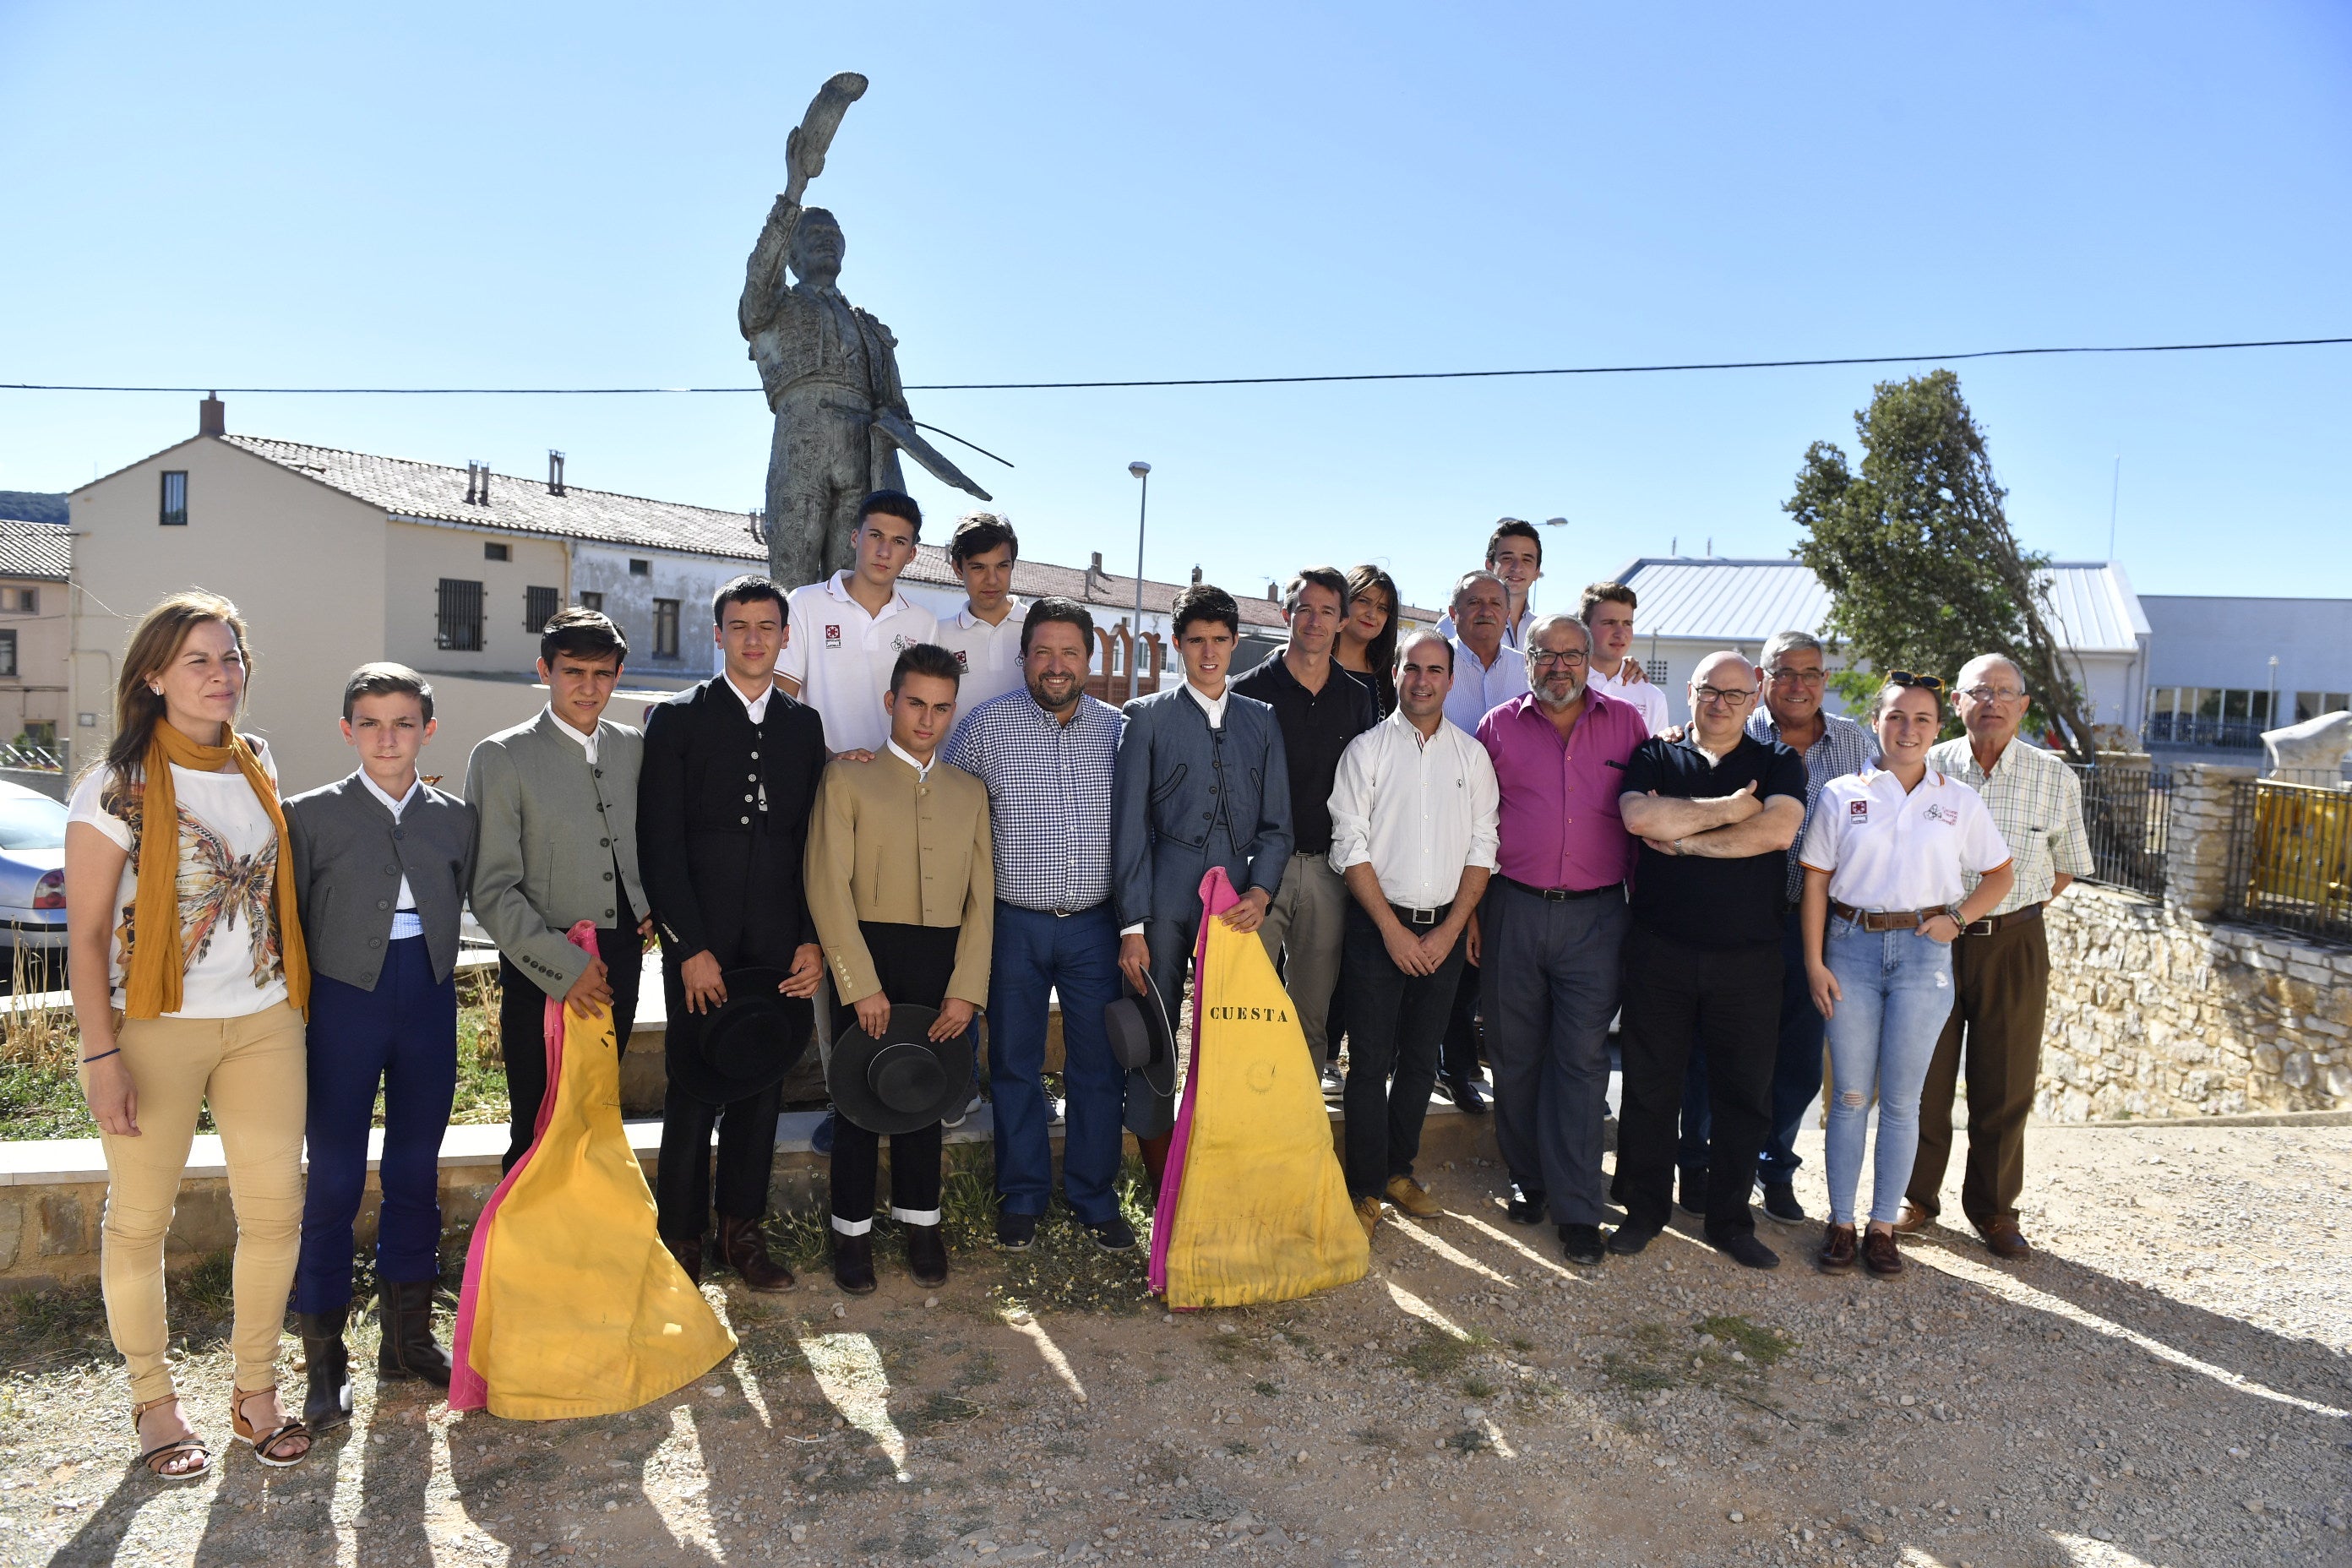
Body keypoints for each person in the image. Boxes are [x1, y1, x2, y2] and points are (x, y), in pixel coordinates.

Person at [64, 591, 313, 1476]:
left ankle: (255, 1394)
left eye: (231, 656)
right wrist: (100, 1055)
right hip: (153, 1029)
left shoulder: (261, 764)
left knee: (278, 1209)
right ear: (154, 675)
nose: (221, 674)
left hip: (264, 1022)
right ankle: (155, 1404)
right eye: (200, 659)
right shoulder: (114, 785)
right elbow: (87, 935)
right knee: (138, 1221)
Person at [285, 664, 476, 1431]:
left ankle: (407, 1341)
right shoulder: (309, 816)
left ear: (428, 729)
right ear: (347, 731)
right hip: (344, 1004)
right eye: (371, 723)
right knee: (331, 1178)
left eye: (403, 723)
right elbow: (289, 921)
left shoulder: (455, 818)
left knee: (413, 1173)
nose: (387, 737)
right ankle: (324, 1364)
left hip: (427, 999)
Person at [637, 575, 827, 1288]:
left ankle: (741, 1233)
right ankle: (679, 1236)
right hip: (704, 941)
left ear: (784, 636)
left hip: (778, 942)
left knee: (762, 1085)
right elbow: (660, 842)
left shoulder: (803, 728)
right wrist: (689, 948)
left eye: (767, 626)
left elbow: (814, 842)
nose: (754, 638)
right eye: (739, 626)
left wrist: (810, 938)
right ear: (717, 635)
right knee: (693, 1086)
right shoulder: (678, 719)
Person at [1799, 676, 2015, 1277]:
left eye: (1922, 719)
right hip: (1851, 950)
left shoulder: (1959, 800)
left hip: (1923, 955)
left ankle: (1882, 1227)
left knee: (1901, 1101)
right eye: (1897, 717)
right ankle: (1840, 1222)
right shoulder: (1843, 793)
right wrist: (1814, 961)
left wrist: (1960, 919)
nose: (1909, 729)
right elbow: (1816, 880)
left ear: (1937, 729)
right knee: (1847, 1096)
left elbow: (2000, 873)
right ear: (1876, 722)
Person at [944, 597, 1133, 1251]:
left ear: (1091, 658)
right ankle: (1021, 1196)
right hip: (1012, 924)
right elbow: (946, 816)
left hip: (1094, 925)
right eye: (1043, 653)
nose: (1057, 666)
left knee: (1096, 1067)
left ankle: (1093, 1195)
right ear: (1024, 658)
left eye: (1070, 653)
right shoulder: (983, 729)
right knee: (1016, 1063)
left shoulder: (1120, 732)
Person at [805, 644, 994, 1292]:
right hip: (866, 952)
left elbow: (981, 900)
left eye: (942, 708)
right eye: (916, 703)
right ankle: (850, 1233)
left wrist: (966, 991)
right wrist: (860, 986)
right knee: (858, 1099)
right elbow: (826, 885)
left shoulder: (970, 792)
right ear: (892, 701)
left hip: (939, 961)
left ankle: (922, 1223)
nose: (927, 719)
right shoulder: (847, 779)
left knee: (925, 1092)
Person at [1674, 630, 1877, 1226]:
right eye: (1784, 673)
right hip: (1742, 918)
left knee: (1797, 1057)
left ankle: (1776, 1164)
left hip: (1820, 928)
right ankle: (1698, 1162)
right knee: (1714, 1050)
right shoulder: (1735, 728)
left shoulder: (1854, 742)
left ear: (1825, 680)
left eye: (1810, 674)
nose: (1798, 685)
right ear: (1763, 679)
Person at [1609, 652, 1805, 1269]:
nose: (1720, 704)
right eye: (1709, 691)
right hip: (1659, 949)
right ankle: (1644, 1210)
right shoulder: (1654, 754)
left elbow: (1775, 832)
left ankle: (1729, 1219)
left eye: (1735, 695)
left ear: (1755, 701)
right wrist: (1728, 808)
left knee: (1743, 1093)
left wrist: (1686, 841)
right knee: (1649, 1085)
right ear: (1689, 691)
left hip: (1747, 958)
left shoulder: (1778, 761)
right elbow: (1640, 817)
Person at [1903, 655, 2093, 1260]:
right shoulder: (1927, 765)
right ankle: (1915, 1199)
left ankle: (1994, 1212)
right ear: (1957, 702)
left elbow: (2065, 866)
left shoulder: (2054, 776)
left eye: (2004, 692)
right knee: (1923, 1079)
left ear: (2024, 706)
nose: (1992, 702)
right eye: (1978, 691)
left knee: (2005, 1083)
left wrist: (2005, 915)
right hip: (1928, 939)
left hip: (2014, 944)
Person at [1476, 614, 1649, 1266]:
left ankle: (1578, 1207)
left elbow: (1640, 824)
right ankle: (1529, 1178)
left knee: (1580, 1062)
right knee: (1515, 1053)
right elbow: (1477, 826)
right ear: (1529, 662)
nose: (1559, 667)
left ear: (1588, 659)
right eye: (1546, 656)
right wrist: (1473, 916)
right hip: (1513, 910)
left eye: (1571, 656)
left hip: (1599, 919)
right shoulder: (1496, 728)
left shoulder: (1627, 724)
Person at [1113, 584, 1295, 1179]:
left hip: (1239, 900)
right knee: (1156, 1022)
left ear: (1236, 642)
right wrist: (1132, 925)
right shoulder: (1145, 717)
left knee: (1234, 1025)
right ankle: (1158, 1169)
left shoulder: (1262, 720)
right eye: (1197, 641)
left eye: (1220, 639)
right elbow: (1131, 829)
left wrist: (1262, 892)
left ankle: (1222, 1157)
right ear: (1178, 644)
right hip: (1165, 893)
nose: (1209, 652)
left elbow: (1278, 825)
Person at [468, 607, 653, 1174]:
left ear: (619, 676)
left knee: (595, 1114)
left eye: (602, 673)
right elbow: (491, 887)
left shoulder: (635, 747)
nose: (588, 686)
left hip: (621, 959)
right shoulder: (501, 755)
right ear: (544, 670)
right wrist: (564, 967)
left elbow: (650, 841)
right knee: (536, 1124)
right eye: (573, 671)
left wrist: (650, 910)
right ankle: (521, 1258)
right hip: (539, 967)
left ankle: (583, 1247)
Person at [1327, 631, 1498, 1238]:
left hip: (1444, 931)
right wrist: (1392, 932)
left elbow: (1484, 847)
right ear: (1394, 675)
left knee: (1421, 1061)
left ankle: (1401, 1171)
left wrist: (1451, 930)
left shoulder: (1472, 758)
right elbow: (1349, 846)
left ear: (1451, 680)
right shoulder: (1367, 752)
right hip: (1379, 930)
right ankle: (1366, 1187)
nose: (1423, 680)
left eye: (1435, 670)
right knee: (1370, 1063)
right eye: (1412, 669)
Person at [1234, 568, 1379, 1092]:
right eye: (1305, 609)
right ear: (1286, 614)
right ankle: (1248, 1104)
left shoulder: (1357, 698)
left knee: (1312, 1008)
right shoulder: (1246, 692)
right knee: (1247, 1003)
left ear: (1342, 620)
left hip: (1327, 871)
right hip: (1256, 873)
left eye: (1326, 611)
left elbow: (1369, 788)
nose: (1314, 621)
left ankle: (1300, 1112)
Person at [777, 489, 939, 756]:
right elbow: (782, 702)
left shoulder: (923, 622)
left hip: (891, 781)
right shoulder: (805, 603)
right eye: (876, 536)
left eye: (898, 542)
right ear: (855, 538)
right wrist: (829, 759)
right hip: (821, 774)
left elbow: (924, 709)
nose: (884, 551)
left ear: (911, 554)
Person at [931, 512, 1027, 711]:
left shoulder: (1039, 628)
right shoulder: (937, 636)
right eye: (978, 567)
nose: (992, 579)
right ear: (958, 569)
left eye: (1002, 566)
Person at [1441, 571, 1531, 738]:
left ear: (1507, 616)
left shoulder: (1527, 669)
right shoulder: (1433, 664)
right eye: (1474, 602)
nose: (1486, 612)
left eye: (1496, 604)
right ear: (1453, 614)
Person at [1580, 582, 1672, 736]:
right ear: (1584, 627)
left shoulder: (1652, 697)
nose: (1620, 633)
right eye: (1609, 623)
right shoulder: (1564, 684)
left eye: (1627, 623)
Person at [1436, 519, 1544, 651]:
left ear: (1537, 572)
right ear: (1489, 566)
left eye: (1527, 559)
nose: (1517, 567)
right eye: (1507, 558)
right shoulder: (1457, 622)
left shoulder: (1543, 631)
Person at [1333, 564, 1402, 718]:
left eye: (1382, 608)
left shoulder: (1390, 678)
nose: (1372, 614)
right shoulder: (1308, 664)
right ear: (1344, 603)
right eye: (1364, 601)